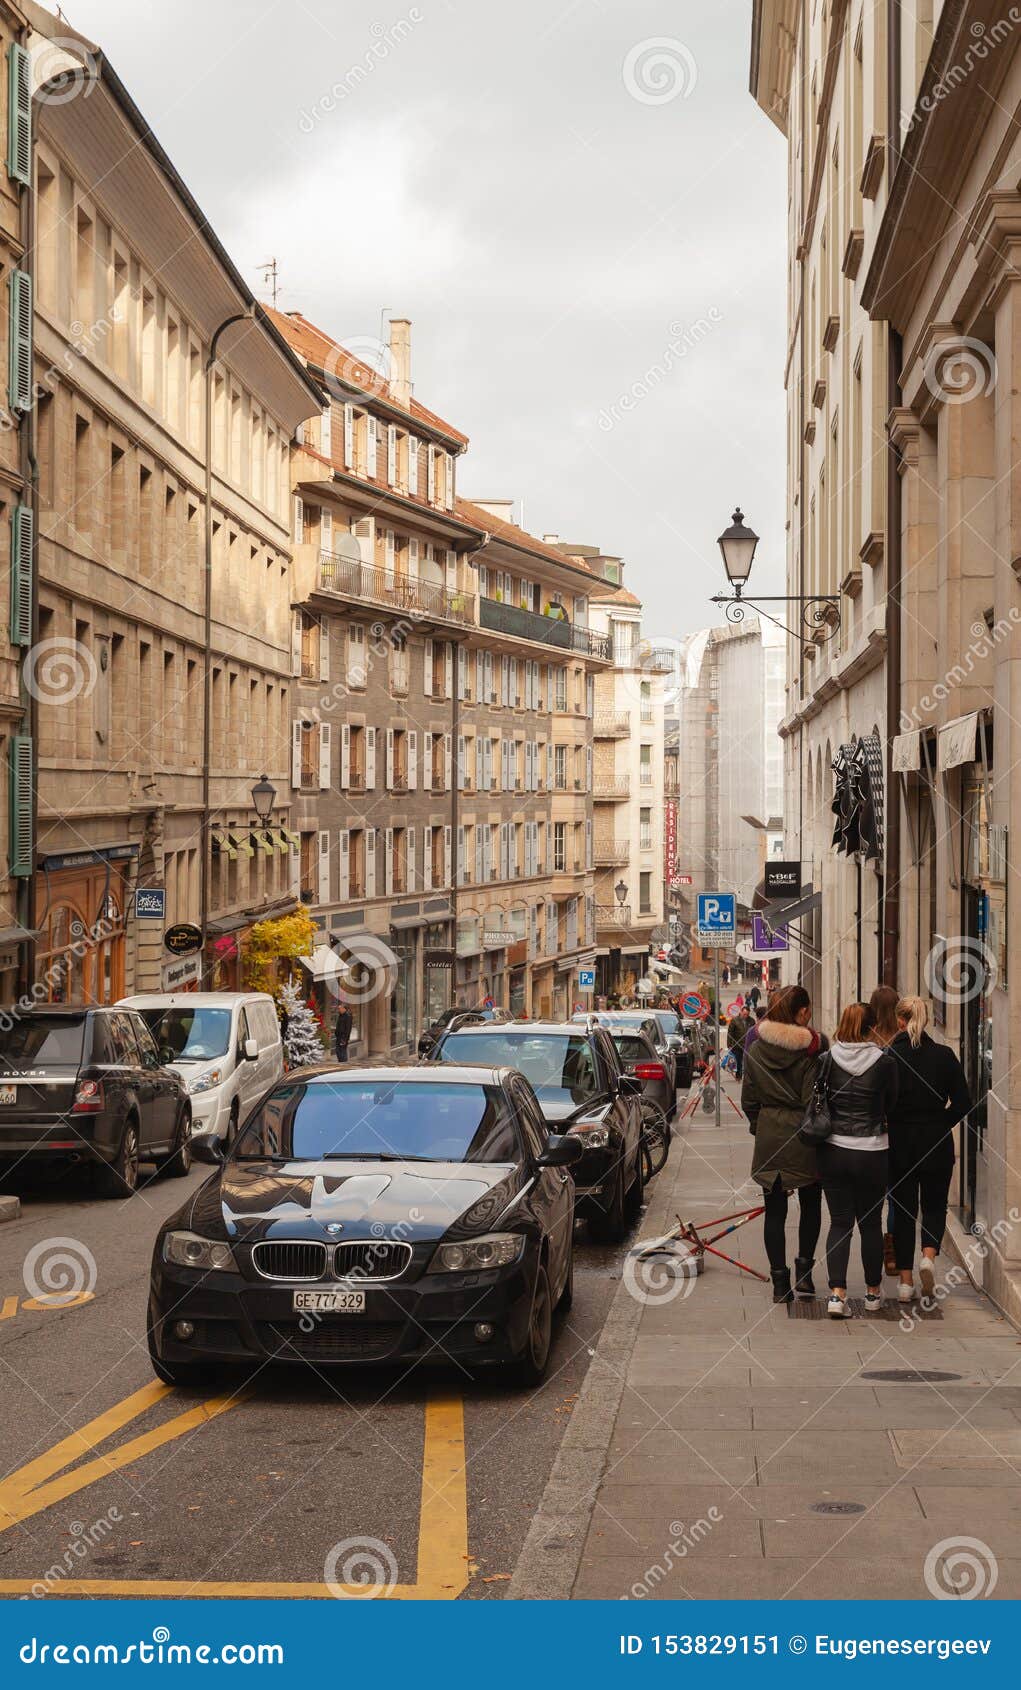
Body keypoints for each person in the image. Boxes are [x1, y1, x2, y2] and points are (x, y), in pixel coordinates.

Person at [741, 985, 826, 1304]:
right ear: (801, 1013)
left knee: (774, 1212)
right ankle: (804, 1273)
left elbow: (748, 1098)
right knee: (811, 1204)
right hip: (805, 1137)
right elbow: (811, 1100)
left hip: (770, 1135)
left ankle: (779, 1283)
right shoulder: (810, 1051)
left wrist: (759, 1125)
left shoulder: (757, 1050)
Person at [815, 1002, 898, 1318]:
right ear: (872, 1028)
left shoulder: (826, 1059)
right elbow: (892, 1102)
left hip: (834, 1149)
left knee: (839, 1223)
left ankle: (837, 1296)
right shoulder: (885, 1062)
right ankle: (874, 1292)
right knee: (871, 1224)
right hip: (873, 1150)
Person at [887, 996, 971, 1305]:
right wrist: (940, 1122)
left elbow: (881, 1103)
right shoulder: (945, 1056)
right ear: (927, 1021)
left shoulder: (890, 1058)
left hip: (900, 1145)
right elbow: (963, 1102)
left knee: (905, 1211)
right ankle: (929, 1257)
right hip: (936, 1144)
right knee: (935, 1207)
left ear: (899, 1021)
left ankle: (906, 1283)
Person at [727, 1005, 752, 1079]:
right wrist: (729, 1044)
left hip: (748, 1045)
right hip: (737, 1044)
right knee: (738, 1061)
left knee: (748, 1061)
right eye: (744, 1014)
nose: (746, 1016)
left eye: (747, 1014)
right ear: (741, 1012)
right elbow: (730, 1033)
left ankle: (747, 1076)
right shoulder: (735, 1020)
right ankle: (738, 1075)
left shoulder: (751, 1021)